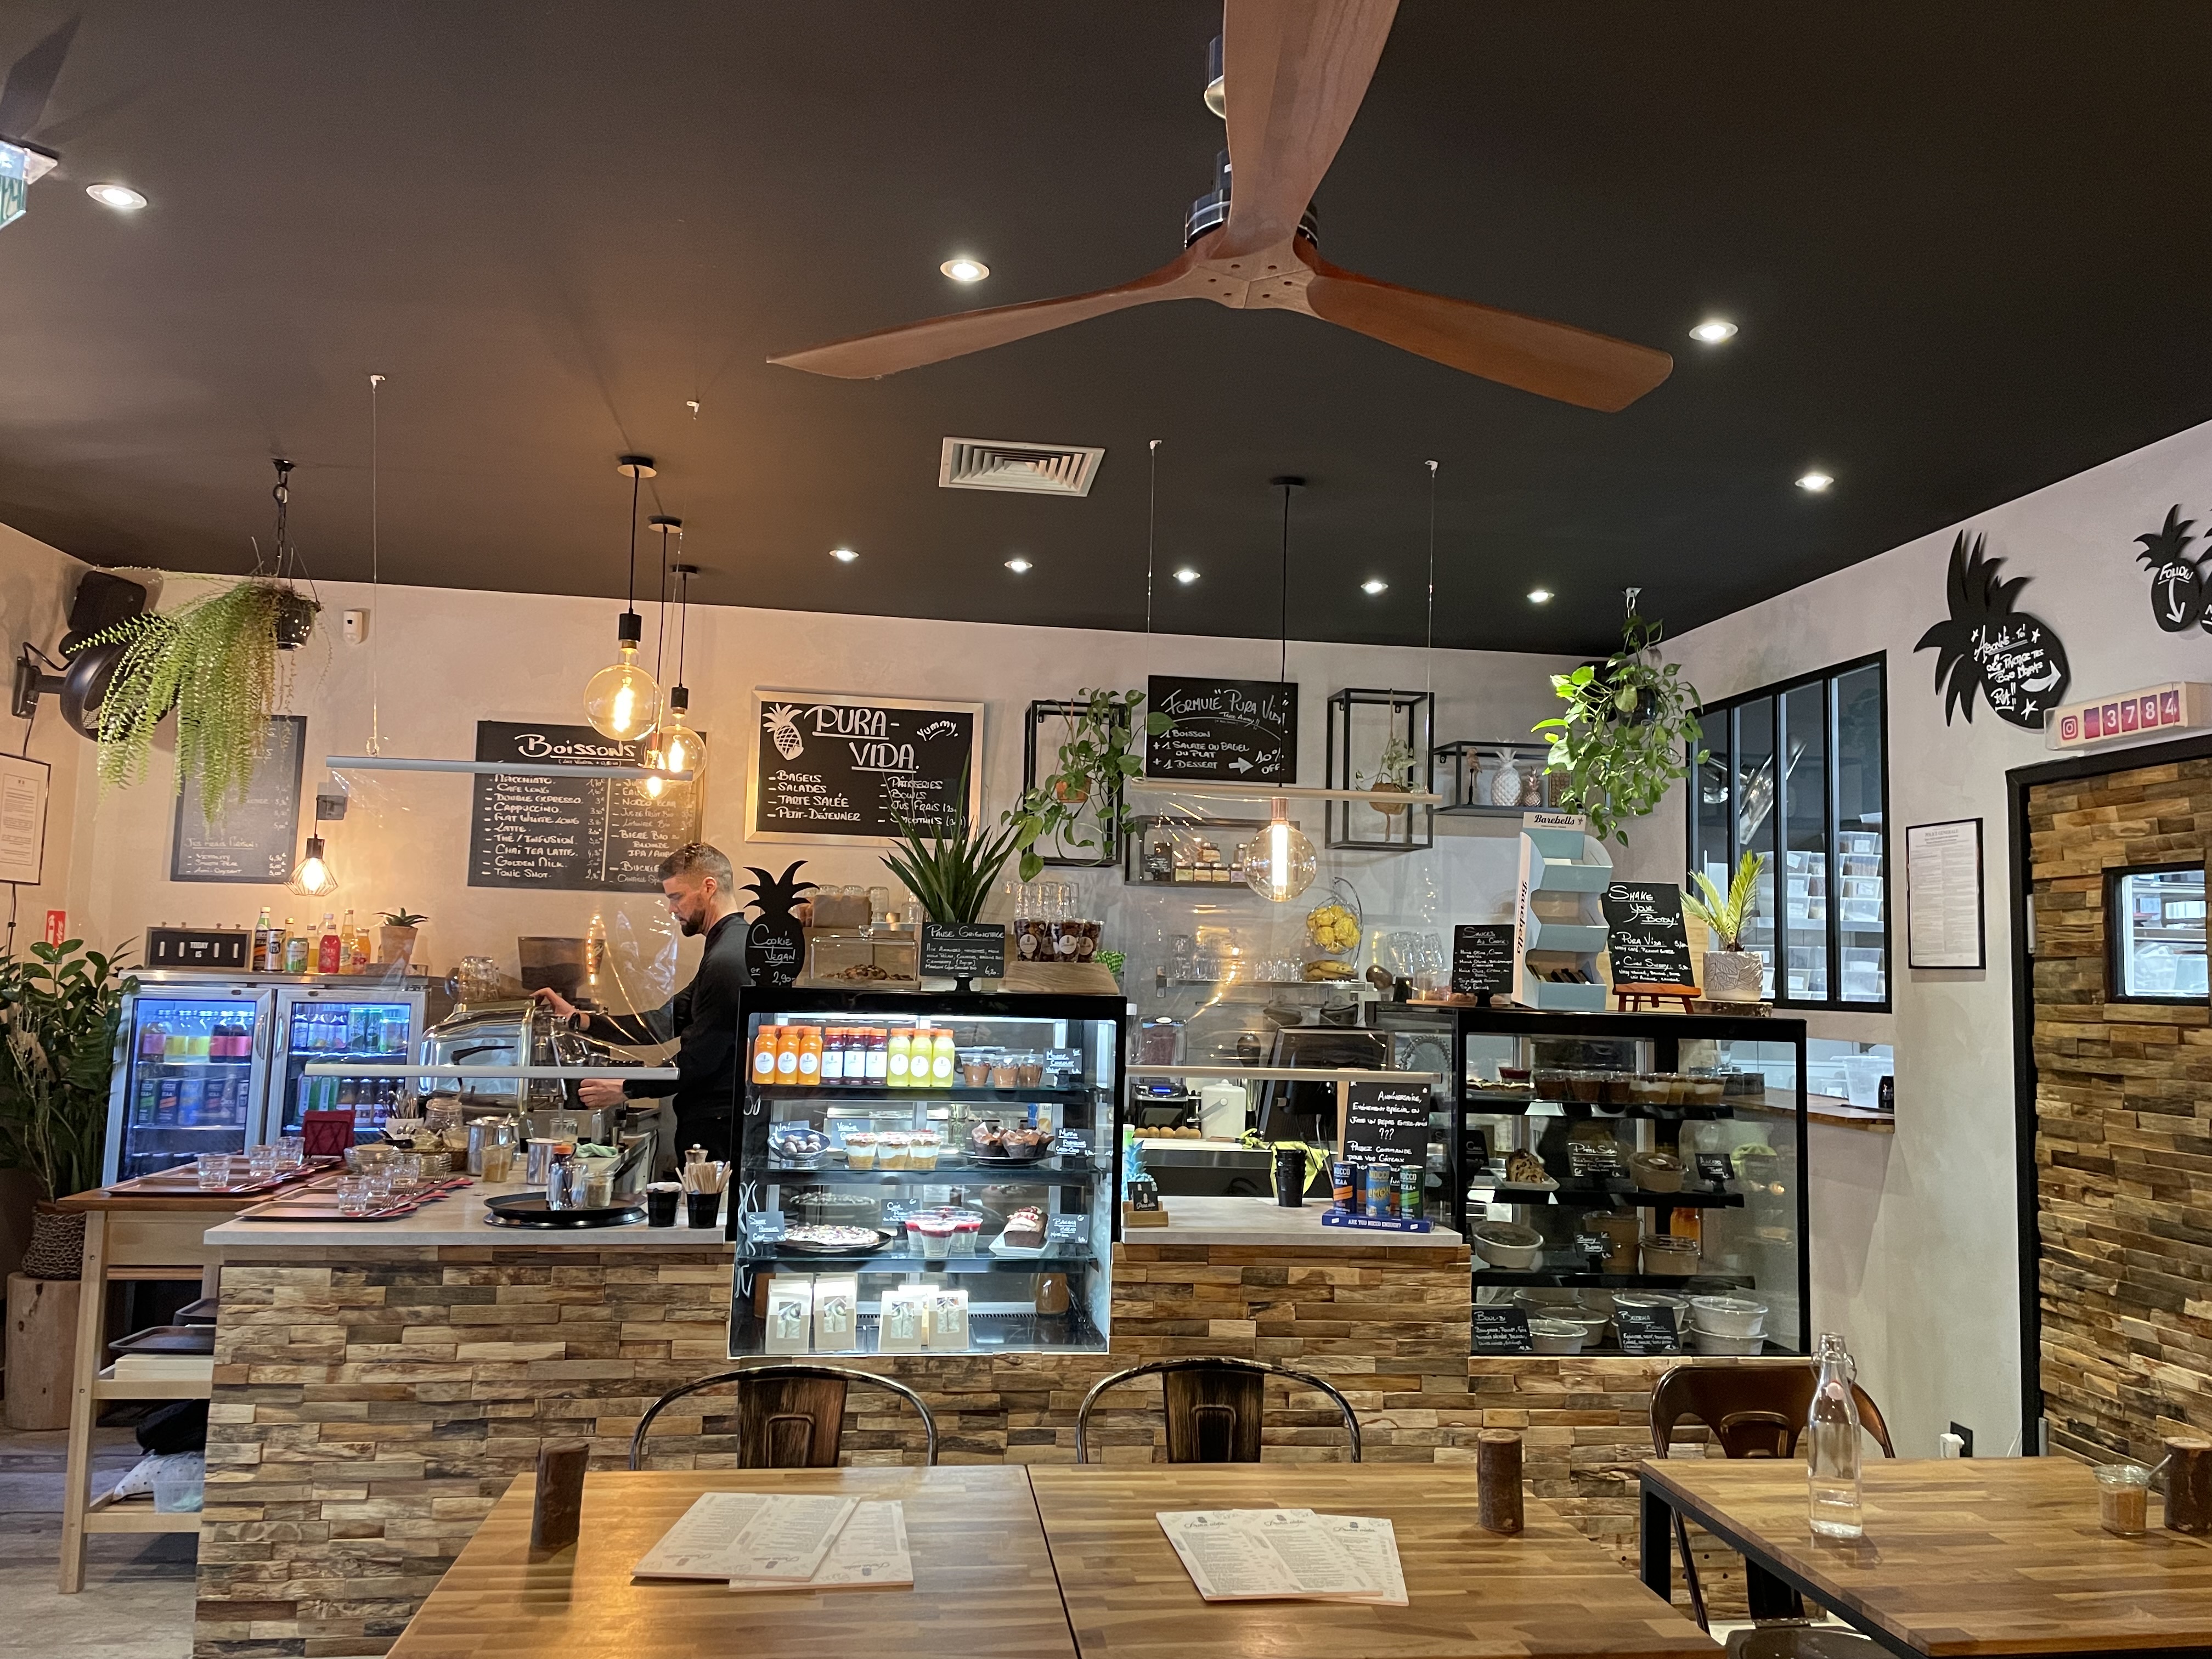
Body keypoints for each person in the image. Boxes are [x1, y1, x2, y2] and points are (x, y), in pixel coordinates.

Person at [532, 842, 751, 1167]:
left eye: (677, 897)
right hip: (714, 1120)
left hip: (718, 1125)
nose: (671, 909)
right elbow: (664, 1022)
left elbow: (701, 1059)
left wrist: (627, 1088)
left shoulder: (727, 960)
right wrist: (580, 1019)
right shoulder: (729, 946)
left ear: (709, 887)